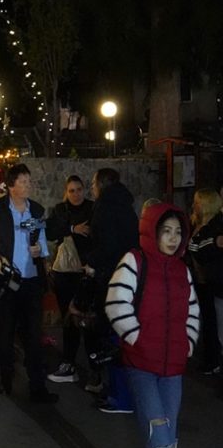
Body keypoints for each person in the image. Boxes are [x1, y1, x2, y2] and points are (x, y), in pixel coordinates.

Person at [106, 203, 199, 448]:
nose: (172, 238)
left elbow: (192, 310)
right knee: (159, 441)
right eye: (166, 231)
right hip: (142, 366)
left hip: (173, 370)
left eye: (177, 232)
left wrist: (188, 344)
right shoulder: (134, 261)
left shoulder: (182, 270)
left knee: (168, 442)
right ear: (153, 232)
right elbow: (116, 303)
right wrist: (138, 340)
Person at [0, 163, 58, 403]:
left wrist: (39, 250)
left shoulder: (35, 210)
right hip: (7, 281)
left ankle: (37, 385)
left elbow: (42, 239)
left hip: (31, 280)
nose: (28, 185)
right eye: (23, 181)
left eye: (29, 181)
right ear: (11, 186)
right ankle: (6, 378)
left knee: (34, 334)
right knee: (6, 331)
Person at [86, 167, 139, 411]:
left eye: (94, 183)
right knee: (121, 333)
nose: (91, 188)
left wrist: (92, 263)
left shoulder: (104, 208)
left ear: (102, 184)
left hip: (110, 278)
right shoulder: (126, 205)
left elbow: (104, 245)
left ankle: (120, 396)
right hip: (128, 275)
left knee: (112, 336)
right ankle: (122, 390)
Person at [44, 175, 95, 384]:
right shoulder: (60, 210)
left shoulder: (93, 208)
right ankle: (69, 363)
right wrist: (73, 229)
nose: (75, 194)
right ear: (66, 191)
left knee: (90, 319)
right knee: (69, 318)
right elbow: (50, 231)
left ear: (85, 190)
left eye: (79, 189)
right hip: (65, 273)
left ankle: (95, 367)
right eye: (71, 190)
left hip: (86, 271)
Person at [188, 188, 223, 376]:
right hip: (201, 280)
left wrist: (212, 242)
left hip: (213, 282)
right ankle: (209, 358)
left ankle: (213, 361)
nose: (194, 205)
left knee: (214, 323)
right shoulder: (199, 223)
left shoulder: (216, 226)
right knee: (208, 321)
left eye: (198, 201)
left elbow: (199, 249)